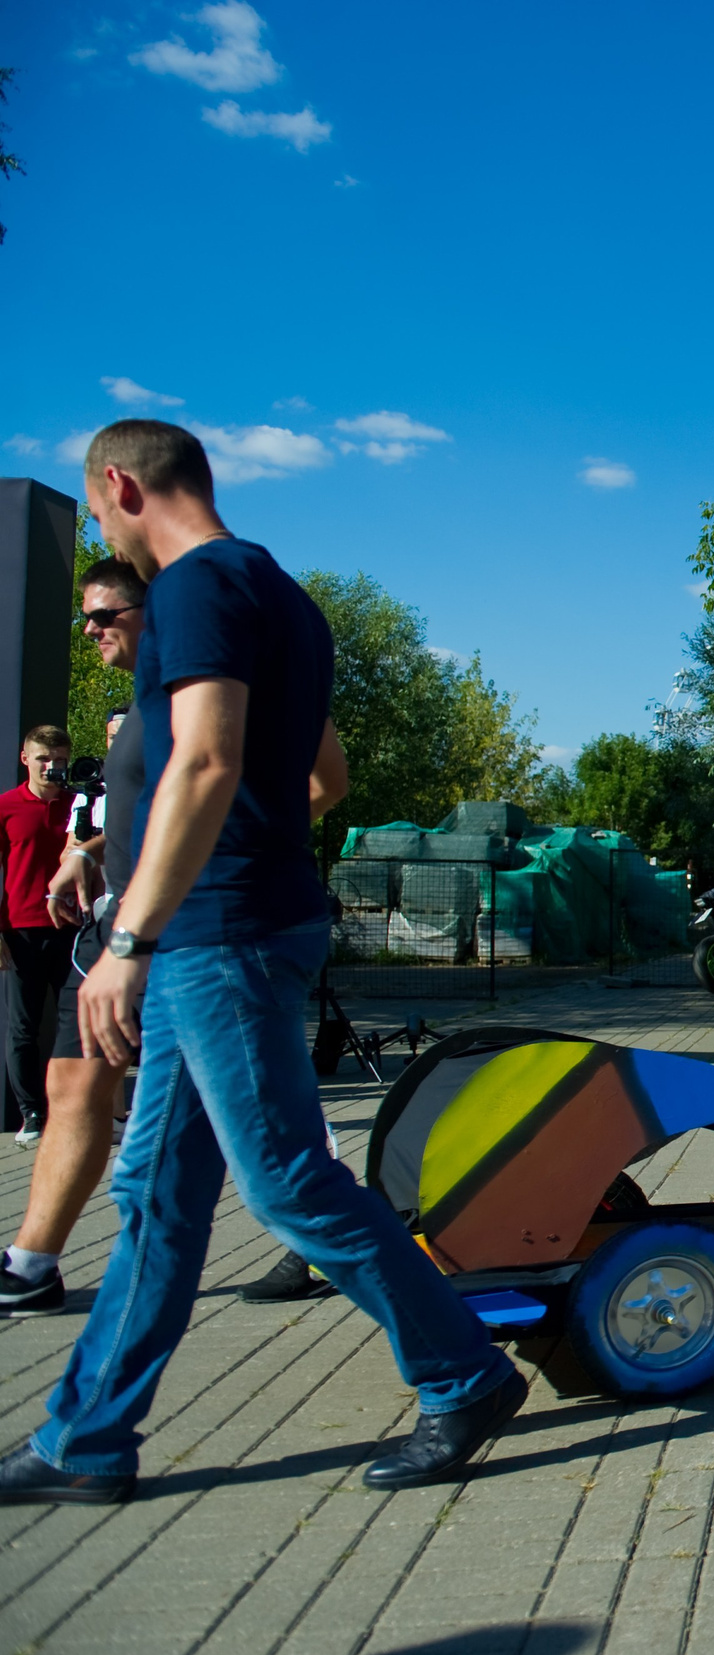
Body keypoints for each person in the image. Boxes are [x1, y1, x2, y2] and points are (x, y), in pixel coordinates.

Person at [0, 419, 523, 1506]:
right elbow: (294, 774)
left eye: (99, 513)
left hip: (220, 933)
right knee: (152, 1192)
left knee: (286, 1184)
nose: (103, 532)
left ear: (118, 486)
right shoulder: (276, 590)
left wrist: (128, 938)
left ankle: (465, 1372)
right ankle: (85, 1440)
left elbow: (206, 757)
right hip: (226, 925)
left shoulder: (197, 586)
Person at [0, 570, 145, 1315]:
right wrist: (85, 857)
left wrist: (137, 939)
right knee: (68, 1085)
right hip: (101, 935)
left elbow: (315, 782)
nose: (88, 628)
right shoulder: (141, 717)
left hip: (173, 946)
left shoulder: (194, 700)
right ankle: (32, 1263)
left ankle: (430, 1317)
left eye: (101, 614)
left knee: (261, 1141)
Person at [0, 722, 77, 1145]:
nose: (52, 766)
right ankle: (31, 1113)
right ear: (24, 758)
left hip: (73, 928)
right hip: (21, 931)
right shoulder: (6, 806)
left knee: (76, 1023)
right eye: (44, 758)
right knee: (23, 1028)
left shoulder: (81, 804)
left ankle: (70, 1110)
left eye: (59, 759)